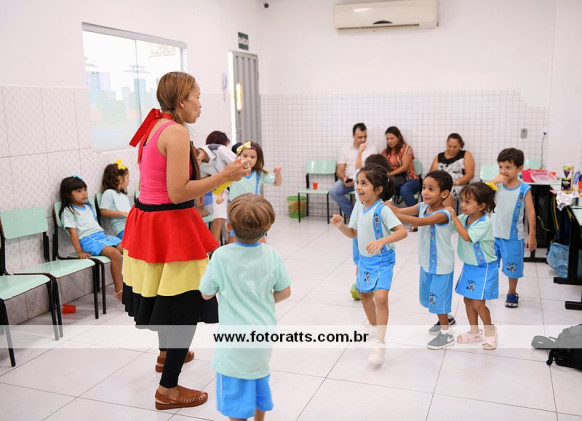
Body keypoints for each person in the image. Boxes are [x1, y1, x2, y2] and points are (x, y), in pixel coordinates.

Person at [122, 71, 251, 410]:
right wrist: (225, 175)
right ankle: (168, 389)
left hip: (148, 222)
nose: (200, 104)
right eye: (197, 96)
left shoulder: (154, 126)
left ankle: (166, 355)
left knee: (165, 294)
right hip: (170, 225)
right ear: (181, 100)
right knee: (184, 305)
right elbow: (178, 191)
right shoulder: (176, 132)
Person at [200, 194, 291, 421]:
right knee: (258, 383)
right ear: (267, 228)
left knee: (235, 398)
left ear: (229, 227)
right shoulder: (272, 255)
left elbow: (206, 293)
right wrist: (262, 301)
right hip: (263, 336)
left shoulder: (221, 256)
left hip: (233, 342)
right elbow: (285, 292)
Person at [331, 165, 407, 365]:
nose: (358, 187)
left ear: (378, 189)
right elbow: (353, 234)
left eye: (364, 183)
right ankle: (373, 326)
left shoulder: (383, 210)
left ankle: (380, 341)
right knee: (365, 295)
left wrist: (382, 241)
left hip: (382, 260)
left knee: (380, 297)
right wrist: (340, 226)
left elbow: (402, 232)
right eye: (358, 182)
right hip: (365, 260)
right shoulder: (360, 207)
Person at [388, 170, 456, 350]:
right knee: (431, 297)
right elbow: (398, 210)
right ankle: (448, 318)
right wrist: (385, 206)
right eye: (424, 187)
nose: (425, 192)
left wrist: (393, 214)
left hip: (441, 265)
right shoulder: (423, 207)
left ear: (444, 194)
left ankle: (446, 334)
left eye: (431, 189)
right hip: (426, 262)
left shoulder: (444, 214)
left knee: (438, 299)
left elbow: (419, 222)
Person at [446, 182, 499, 350]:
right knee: (468, 300)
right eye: (462, 201)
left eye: (467, 202)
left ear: (481, 206)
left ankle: (490, 332)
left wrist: (454, 218)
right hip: (469, 266)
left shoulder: (484, 223)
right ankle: (474, 332)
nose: (463, 205)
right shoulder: (464, 218)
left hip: (484, 268)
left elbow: (467, 236)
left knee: (478, 303)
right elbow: (450, 226)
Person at [59, 175, 124, 301]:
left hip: (101, 236)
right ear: (67, 194)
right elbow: (73, 233)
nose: (84, 193)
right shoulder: (68, 211)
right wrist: (79, 251)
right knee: (115, 254)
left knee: (127, 248)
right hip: (88, 240)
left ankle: (130, 283)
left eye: (85, 190)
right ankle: (119, 289)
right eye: (79, 191)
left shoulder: (88, 206)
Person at [491, 148, 536, 308]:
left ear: (520, 168)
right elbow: (480, 194)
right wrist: (493, 182)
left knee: (513, 267)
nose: (503, 171)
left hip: (513, 237)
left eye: (508, 167)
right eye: (500, 167)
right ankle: (488, 289)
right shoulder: (497, 186)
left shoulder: (524, 189)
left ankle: (511, 292)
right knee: (490, 265)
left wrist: (532, 235)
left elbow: (531, 212)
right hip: (493, 234)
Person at [228, 141, 282, 243]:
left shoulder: (259, 174)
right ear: (239, 156)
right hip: (235, 208)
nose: (248, 159)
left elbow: (277, 183)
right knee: (233, 234)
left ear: (258, 159)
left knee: (259, 232)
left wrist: (278, 174)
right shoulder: (233, 172)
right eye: (245, 156)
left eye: (252, 157)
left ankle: (261, 251)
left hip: (253, 209)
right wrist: (220, 196)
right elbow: (222, 185)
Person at [330, 123, 378, 218]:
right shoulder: (345, 148)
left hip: (365, 181)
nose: (363, 139)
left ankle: (365, 215)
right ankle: (353, 215)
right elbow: (340, 170)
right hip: (349, 180)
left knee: (367, 193)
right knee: (333, 191)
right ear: (353, 136)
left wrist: (361, 180)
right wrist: (344, 179)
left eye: (365, 136)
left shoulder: (372, 148)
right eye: (360, 137)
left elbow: (374, 169)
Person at [197, 132, 237, 243]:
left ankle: (231, 248)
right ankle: (215, 250)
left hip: (235, 183)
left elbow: (238, 165)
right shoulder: (199, 163)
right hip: (220, 188)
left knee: (234, 218)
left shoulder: (219, 149)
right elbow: (201, 183)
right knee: (219, 218)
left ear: (197, 159)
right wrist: (200, 207)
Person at [429, 133, 475, 208]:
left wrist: (455, 183)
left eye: (455, 147)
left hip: (458, 185)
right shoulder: (439, 156)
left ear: (460, 145)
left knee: (446, 194)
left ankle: (445, 214)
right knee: (432, 193)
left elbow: (470, 174)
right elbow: (431, 174)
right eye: (449, 146)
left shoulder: (466, 154)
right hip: (440, 185)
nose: (451, 149)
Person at [382, 126, 420, 213]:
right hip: (394, 181)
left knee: (405, 189)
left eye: (392, 138)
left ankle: (416, 216)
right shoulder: (385, 152)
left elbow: (405, 167)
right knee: (380, 188)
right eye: (387, 139)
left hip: (410, 179)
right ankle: (385, 215)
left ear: (399, 137)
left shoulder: (407, 148)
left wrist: (390, 174)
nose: (389, 141)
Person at [99, 159, 132, 239]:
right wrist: (121, 213)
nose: (129, 181)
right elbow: (103, 211)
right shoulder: (108, 193)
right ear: (119, 179)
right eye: (127, 178)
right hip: (122, 229)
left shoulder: (124, 196)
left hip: (131, 226)